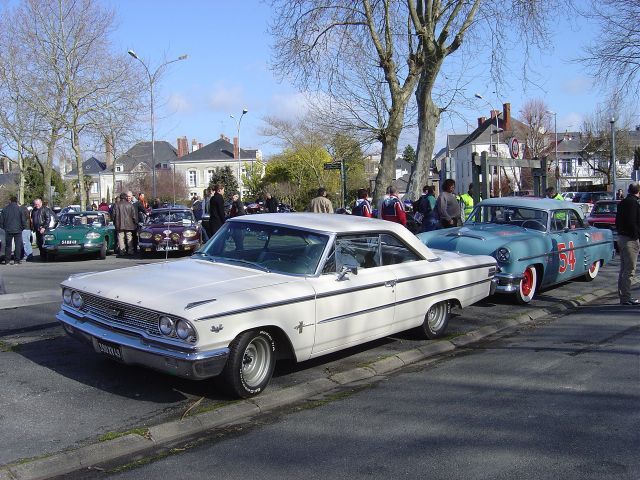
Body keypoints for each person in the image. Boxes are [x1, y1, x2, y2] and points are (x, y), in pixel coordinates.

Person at [615, 183, 640, 305]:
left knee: (624, 269)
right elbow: (632, 222)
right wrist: (636, 235)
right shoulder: (633, 203)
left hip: (622, 237)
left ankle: (623, 296)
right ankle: (625, 297)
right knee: (630, 270)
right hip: (630, 239)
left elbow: (617, 221)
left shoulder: (623, 202)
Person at [0, 197, 27, 264]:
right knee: (18, 245)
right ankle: (17, 260)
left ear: (10, 201)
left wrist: (4, 228)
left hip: (8, 229)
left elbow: (1, 221)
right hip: (18, 229)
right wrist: (23, 227)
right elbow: (23, 220)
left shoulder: (5, 209)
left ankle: (7, 260)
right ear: (16, 201)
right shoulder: (20, 209)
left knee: (8, 246)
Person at [113, 192, 138, 256]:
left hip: (119, 224)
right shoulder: (130, 204)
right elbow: (134, 215)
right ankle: (130, 250)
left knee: (120, 237)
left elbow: (113, 215)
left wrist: (114, 222)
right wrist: (135, 223)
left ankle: (122, 251)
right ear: (125, 197)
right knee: (129, 237)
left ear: (120, 198)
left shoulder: (116, 205)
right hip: (129, 224)